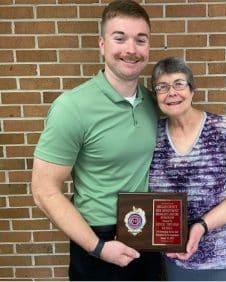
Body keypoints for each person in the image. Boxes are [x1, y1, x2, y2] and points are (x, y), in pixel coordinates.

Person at [31, 1, 162, 280]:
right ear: (102, 44)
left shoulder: (152, 103)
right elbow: (44, 190)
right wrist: (98, 247)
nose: (131, 49)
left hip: (146, 232)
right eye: (120, 38)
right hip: (98, 240)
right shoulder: (72, 107)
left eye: (141, 40)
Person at [149, 56, 226, 281]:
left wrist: (201, 226)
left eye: (179, 84)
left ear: (192, 90)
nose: (171, 92)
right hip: (179, 260)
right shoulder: (151, 137)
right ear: (155, 95)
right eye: (162, 87)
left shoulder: (219, 129)